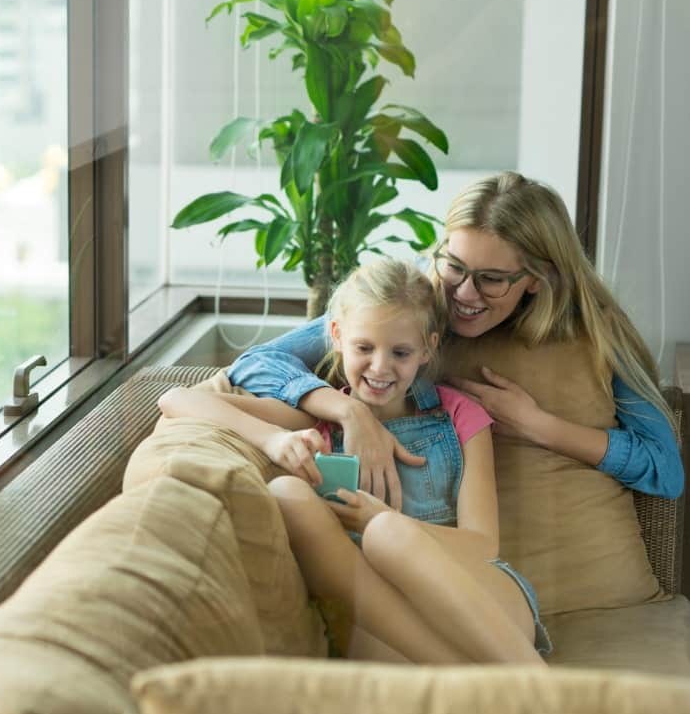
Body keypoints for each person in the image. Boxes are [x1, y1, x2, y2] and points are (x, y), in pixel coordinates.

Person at [159, 258, 549, 667]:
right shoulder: (318, 419)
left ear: (429, 348)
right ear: (337, 336)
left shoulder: (461, 416)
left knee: (385, 535)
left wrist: (380, 521)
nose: (380, 367)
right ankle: (497, 682)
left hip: (486, 602)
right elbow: (176, 400)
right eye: (364, 348)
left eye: (400, 352)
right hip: (388, 623)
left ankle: (524, 678)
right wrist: (274, 440)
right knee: (286, 493)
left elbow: (482, 545)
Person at [226, 171, 684, 509]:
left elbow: (665, 470)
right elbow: (253, 365)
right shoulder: (404, 310)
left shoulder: (600, 332)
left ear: (537, 278)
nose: (463, 294)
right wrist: (349, 410)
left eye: (490, 279)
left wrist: (537, 425)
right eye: (455, 266)